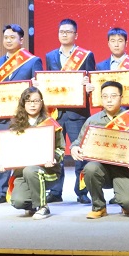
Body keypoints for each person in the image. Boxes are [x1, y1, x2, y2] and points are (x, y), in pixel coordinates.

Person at [71, 81, 129, 219]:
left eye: (113, 96)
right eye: (105, 96)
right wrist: (74, 147)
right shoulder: (92, 120)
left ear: (121, 98)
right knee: (90, 168)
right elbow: (79, 141)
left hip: (124, 170)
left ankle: (125, 201)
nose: (109, 100)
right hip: (101, 168)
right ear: (101, 98)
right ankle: (99, 207)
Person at [0, 24, 43, 205]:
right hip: (2, 116)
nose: (9, 40)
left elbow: (37, 90)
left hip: (24, 117)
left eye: (13, 37)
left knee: (24, 153)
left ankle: (24, 188)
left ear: (21, 40)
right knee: (2, 153)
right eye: (6, 37)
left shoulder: (33, 61)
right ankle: (1, 191)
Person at [43, 19, 96, 205]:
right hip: (56, 113)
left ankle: (82, 191)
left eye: (68, 31)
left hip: (78, 114)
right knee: (55, 153)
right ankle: (55, 191)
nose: (64, 34)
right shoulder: (50, 56)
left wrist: (88, 87)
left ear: (76, 35)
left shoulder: (86, 56)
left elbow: (92, 81)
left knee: (81, 153)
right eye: (61, 31)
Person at [96, 26, 129, 201]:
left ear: (126, 43)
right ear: (108, 43)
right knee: (114, 154)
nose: (116, 44)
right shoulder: (101, 66)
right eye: (113, 41)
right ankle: (118, 191)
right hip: (110, 116)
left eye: (120, 41)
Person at [5, 87, 64, 220]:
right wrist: (3, 162)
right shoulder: (16, 125)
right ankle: (32, 204)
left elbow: (61, 148)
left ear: (41, 103)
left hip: (48, 171)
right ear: (23, 103)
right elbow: (10, 150)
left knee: (30, 170)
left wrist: (53, 158)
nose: (32, 104)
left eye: (36, 101)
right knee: (18, 201)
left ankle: (43, 207)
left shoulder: (50, 123)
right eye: (28, 101)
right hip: (22, 172)